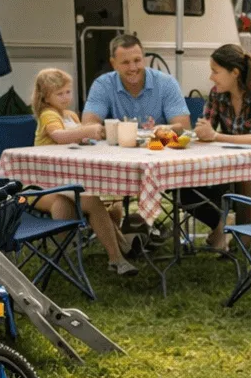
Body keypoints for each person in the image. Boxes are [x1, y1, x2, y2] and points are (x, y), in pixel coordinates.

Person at [30, 69, 139, 275]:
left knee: (108, 201)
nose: (66, 97)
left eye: (68, 92)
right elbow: (60, 136)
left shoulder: (70, 115)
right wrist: (86, 130)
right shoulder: (48, 115)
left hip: (68, 179)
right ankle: (117, 257)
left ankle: (120, 246)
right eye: (59, 93)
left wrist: (94, 135)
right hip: (46, 180)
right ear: (45, 97)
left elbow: (79, 138)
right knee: (91, 201)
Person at [185, 44, 251, 255]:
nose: (211, 77)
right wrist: (202, 132)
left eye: (215, 71)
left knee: (244, 175)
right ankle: (220, 225)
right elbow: (207, 127)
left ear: (235, 73)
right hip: (228, 160)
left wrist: (215, 136)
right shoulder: (218, 94)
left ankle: (245, 241)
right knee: (184, 186)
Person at [81, 33, 191, 132]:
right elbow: (88, 126)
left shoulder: (167, 83)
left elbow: (184, 128)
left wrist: (162, 133)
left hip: (158, 148)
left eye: (137, 60)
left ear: (144, 59)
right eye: (125, 62)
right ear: (113, 64)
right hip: (119, 152)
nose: (133, 68)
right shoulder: (102, 85)